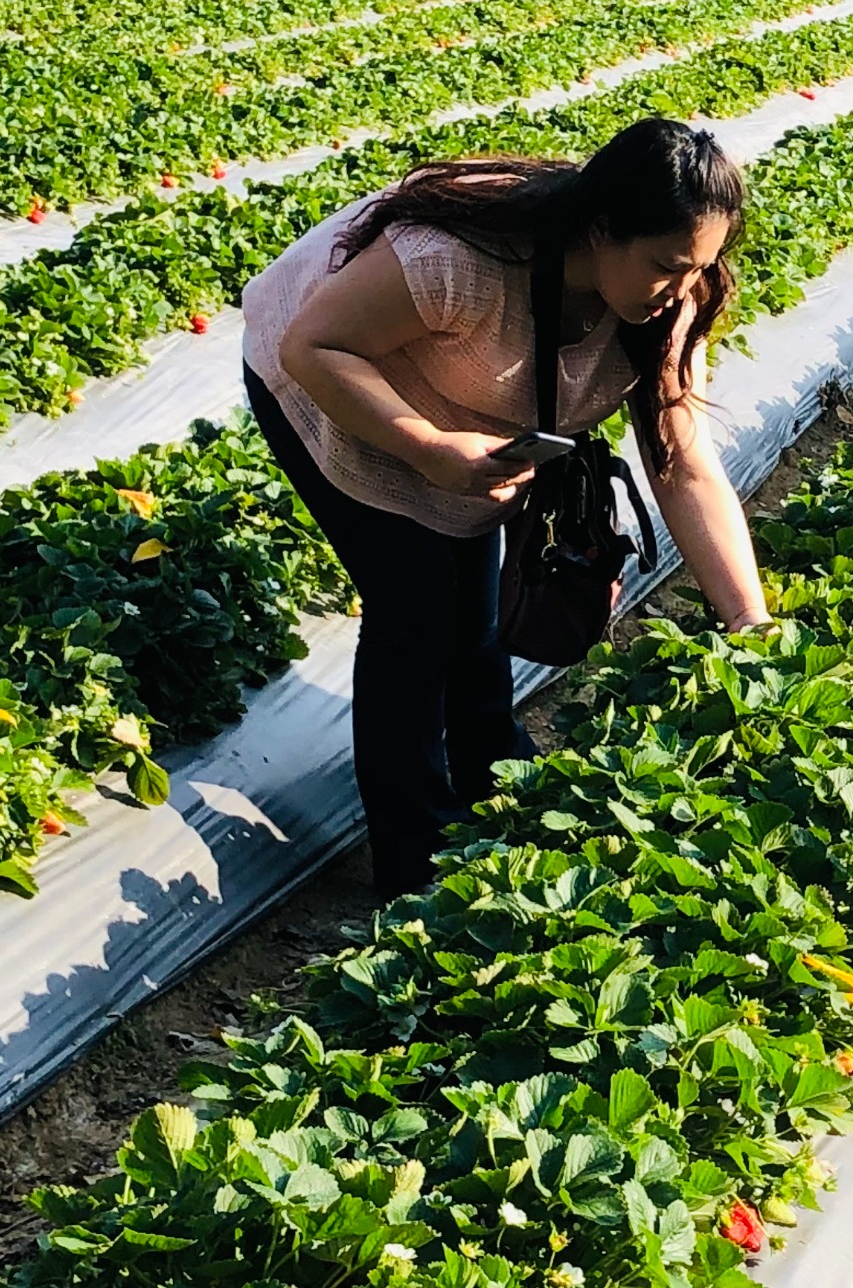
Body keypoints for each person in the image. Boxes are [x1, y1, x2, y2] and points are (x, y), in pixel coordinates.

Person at [240, 118, 773, 896]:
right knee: (416, 604)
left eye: (699, 268)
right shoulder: (456, 263)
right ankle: (415, 859)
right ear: (601, 228)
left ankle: (495, 772)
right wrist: (424, 446)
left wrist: (747, 620)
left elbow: (681, 463)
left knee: (474, 604)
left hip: (463, 414)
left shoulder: (666, 306)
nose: (684, 289)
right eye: (666, 265)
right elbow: (312, 348)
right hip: (329, 385)